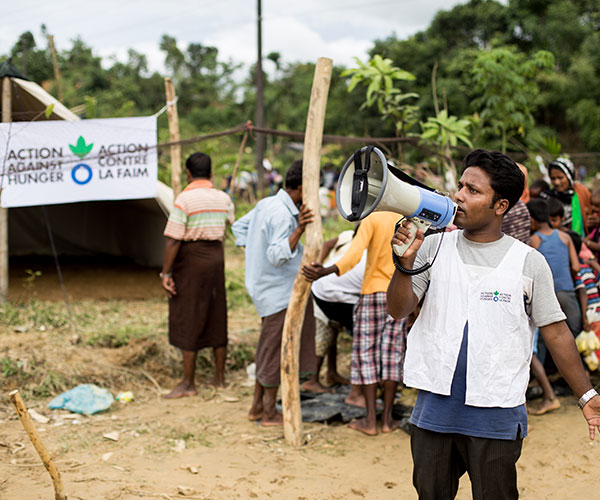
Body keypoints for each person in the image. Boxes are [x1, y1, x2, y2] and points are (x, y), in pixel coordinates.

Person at [387, 149, 600, 500]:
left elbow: (557, 332)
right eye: (460, 186)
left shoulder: (528, 263)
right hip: (434, 414)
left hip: (497, 416)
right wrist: (404, 263)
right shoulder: (433, 248)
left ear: (500, 206)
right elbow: (398, 309)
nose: (458, 195)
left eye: (473, 190)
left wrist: (586, 394)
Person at [231, 160, 322, 426]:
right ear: (302, 188)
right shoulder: (283, 214)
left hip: (265, 289)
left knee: (268, 347)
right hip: (279, 292)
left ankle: (258, 406)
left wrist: (253, 254)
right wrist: (299, 230)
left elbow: (239, 228)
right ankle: (269, 412)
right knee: (275, 351)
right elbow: (276, 255)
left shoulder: (267, 204)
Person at [303, 211, 408, 436]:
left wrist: (325, 270)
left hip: (372, 294)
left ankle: (370, 421)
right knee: (392, 355)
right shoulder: (407, 219)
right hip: (397, 295)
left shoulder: (373, 219)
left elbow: (353, 255)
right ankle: (388, 420)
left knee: (366, 355)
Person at [161, 152, 234, 398]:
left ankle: (188, 384)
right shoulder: (224, 198)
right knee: (216, 312)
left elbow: (173, 240)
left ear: (188, 174)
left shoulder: (185, 199)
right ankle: (220, 380)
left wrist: (166, 272)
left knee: (188, 314)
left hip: (190, 261)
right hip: (216, 259)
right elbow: (229, 226)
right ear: (211, 173)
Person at [541, 157, 591, 237]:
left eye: (560, 178)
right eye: (553, 178)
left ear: (569, 177)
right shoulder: (546, 197)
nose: (556, 182)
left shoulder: (581, 194)